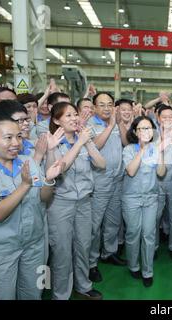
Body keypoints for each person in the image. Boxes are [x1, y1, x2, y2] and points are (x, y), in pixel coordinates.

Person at [0, 114, 63, 299]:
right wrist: (24, 185)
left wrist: (49, 180)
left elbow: (43, 198)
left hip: (34, 245)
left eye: (19, 136)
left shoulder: (27, 161)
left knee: (33, 293)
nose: (16, 143)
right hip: (1, 250)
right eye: (8, 138)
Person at [46, 101, 106, 300]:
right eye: (68, 116)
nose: (74, 119)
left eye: (75, 114)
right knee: (62, 250)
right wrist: (79, 143)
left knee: (83, 245)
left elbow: (101, 163)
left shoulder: (83, 140)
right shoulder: (53, 143)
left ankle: (83, 285)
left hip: (84, 202)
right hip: (60, 204)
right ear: (56, 120)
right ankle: (61, 294)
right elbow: (60, 168)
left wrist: (86, 142)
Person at [122, 116, 167, 287]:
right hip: (131, 198)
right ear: (135, 132)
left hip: (151, 198)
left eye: (148, 128)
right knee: (133, 232)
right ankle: (133, 265)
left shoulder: (156, 149)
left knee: (148, 234)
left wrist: (160, 151)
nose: (145, 131)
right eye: (141, 128)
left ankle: (148, 271)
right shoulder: (128, 150)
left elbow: (162, 173)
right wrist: (141, 150)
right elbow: (131, 171)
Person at [87, 92, 126, 284]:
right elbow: (93, 147)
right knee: (95, 224)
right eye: (101, 105)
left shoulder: (116, 123)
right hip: (99, 180)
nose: (106, 108)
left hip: (117, 178)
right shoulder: (89, 125)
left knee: (113, 220)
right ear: (94, 107)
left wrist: (119, 123)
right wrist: (111, 126)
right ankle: (91, 263)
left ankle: (108, 252)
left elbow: (126, 143)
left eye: (110, 104)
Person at [154, 105, 172, 260]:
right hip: (157, 180)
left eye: (171, 117)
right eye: (164, 117)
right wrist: (164, 139)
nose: (168, 120)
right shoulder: (153, 134)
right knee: (155, 216)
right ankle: (155, 246)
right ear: (158, 118)